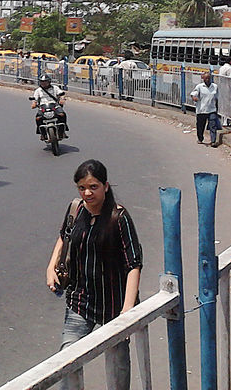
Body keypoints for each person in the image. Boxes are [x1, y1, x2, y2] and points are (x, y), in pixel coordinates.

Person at [46, 159, 142, 390]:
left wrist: (127, 310)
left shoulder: (119, 218)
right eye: (82, 188)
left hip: (114, 306)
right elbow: (64, 236)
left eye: (93, 187)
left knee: (118, 365)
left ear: (105, 186)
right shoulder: (76, 209)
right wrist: (51, 267)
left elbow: (134, 264)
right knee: (67, 359)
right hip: (80, 302)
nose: (87, 193)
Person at [31, 73, 68, 139]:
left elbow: (61, 94)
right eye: (42, 82)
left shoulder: (55, 88)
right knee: (38, 118)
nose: (43, 83)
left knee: (62, 114)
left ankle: (62, 131)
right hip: (43, 106)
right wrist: (34, 103)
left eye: (45, 82)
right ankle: (42, 133)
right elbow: (35, 99)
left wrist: (62, 99)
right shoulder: (38, 90)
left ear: (49, 82)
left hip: (54, 105)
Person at [190, 71, 219, 147]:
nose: (207, 80)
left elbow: (216, 98)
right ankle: (200, 138)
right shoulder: (199, 86)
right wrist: (194, 98)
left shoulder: (215, 86)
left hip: (212, 110)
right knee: (200, 126)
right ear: (203, 79)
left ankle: (213, 141)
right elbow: (193, 94)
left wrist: (217, 108)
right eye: (206, 78)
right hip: (201, 110)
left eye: (208, 78)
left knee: (213, 125)